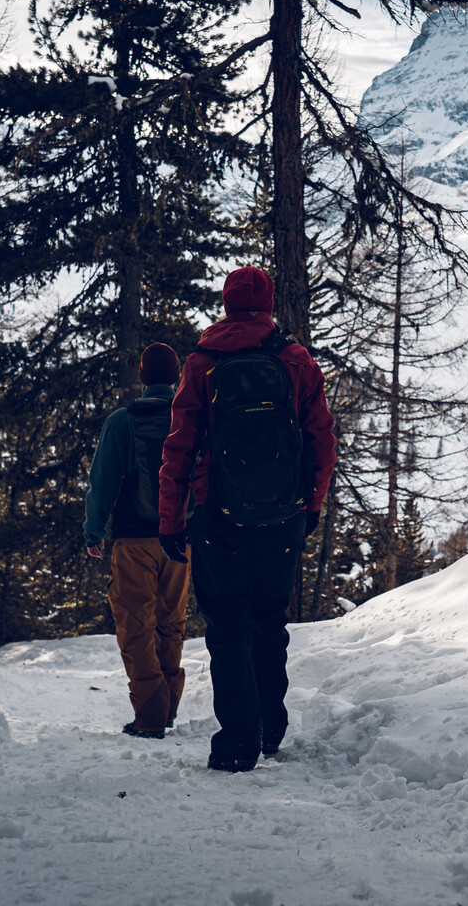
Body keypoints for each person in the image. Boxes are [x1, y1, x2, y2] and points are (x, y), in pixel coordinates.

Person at [157, 266, 336, 772]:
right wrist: (312, 504)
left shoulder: (203, 362)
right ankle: (271, 728)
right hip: (282, 515)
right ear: (270, 303)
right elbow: (322, 439)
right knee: (268, 621)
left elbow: (179, 448)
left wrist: (171, 521)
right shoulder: (295, 359)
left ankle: (239, 742)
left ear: (226, 303)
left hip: (218, 514)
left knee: (228, 626)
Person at [83, 342, 190, 739]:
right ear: (176, 376)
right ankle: (167, 706)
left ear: (143, 376)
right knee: (171, 622)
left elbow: (102, 482)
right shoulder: (191, 417)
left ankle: (150, 714)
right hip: (181, 540)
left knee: (135, 624)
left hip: (133, 540)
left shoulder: (122, 421)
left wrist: (94, 531)